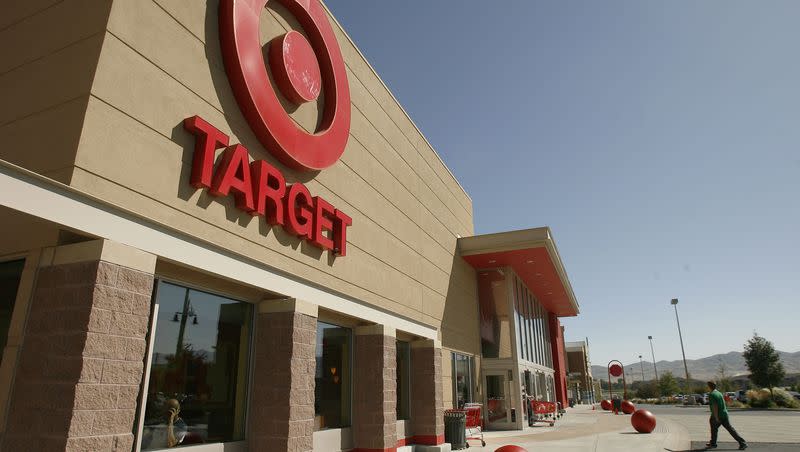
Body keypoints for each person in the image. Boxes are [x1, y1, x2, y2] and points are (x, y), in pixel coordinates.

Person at [706, 381, 747, 450]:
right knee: (730, 429)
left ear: (709, 387)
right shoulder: (719, 393)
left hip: (717, 415)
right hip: (724, 414)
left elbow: (715, 406)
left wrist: (716, 417)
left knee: (714, 428)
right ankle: (742, 443)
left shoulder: (712, 394)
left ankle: (713, 444)